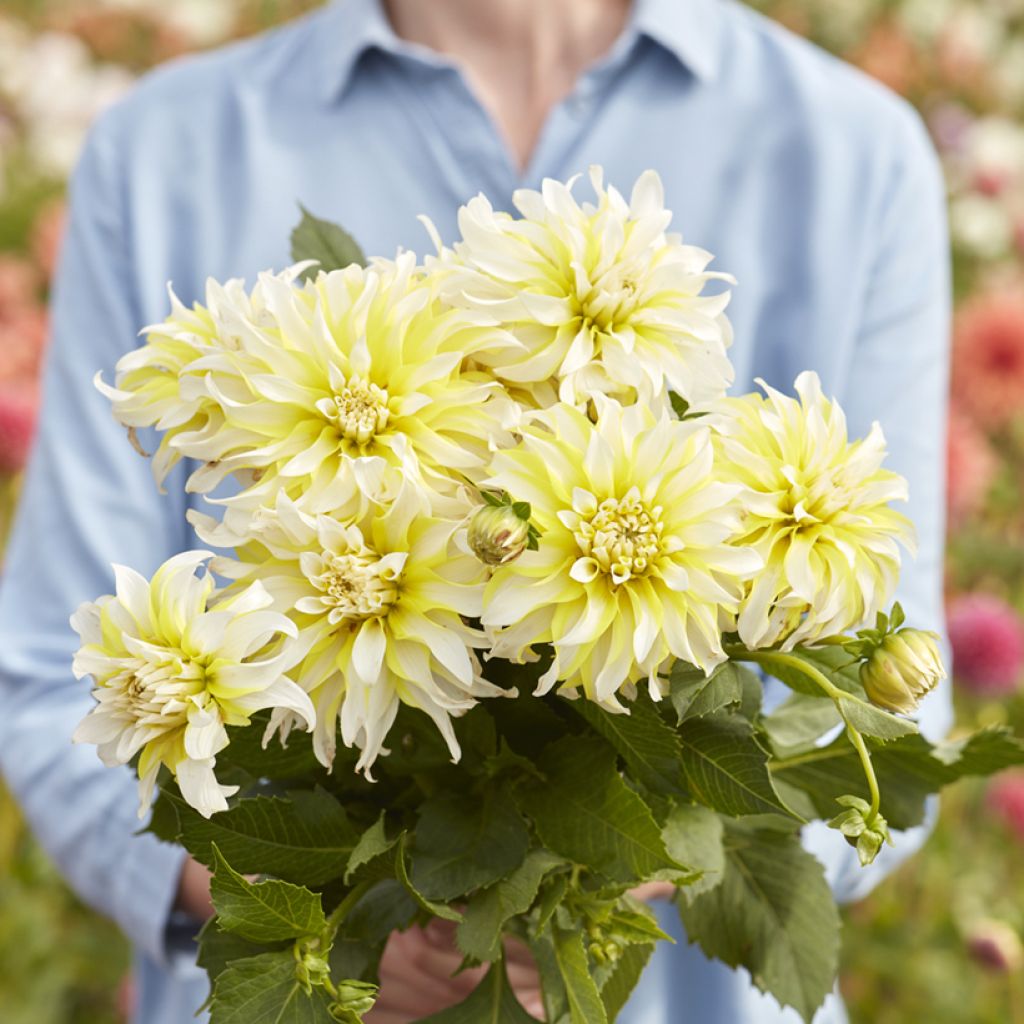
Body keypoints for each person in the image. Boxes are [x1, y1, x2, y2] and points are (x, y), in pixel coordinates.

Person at [0, 0, 953, 1021]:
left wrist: (639, 864)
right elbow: (59, 696)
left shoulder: (853, 150)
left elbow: (898, 715)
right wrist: (341, 908)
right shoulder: (166, 150)